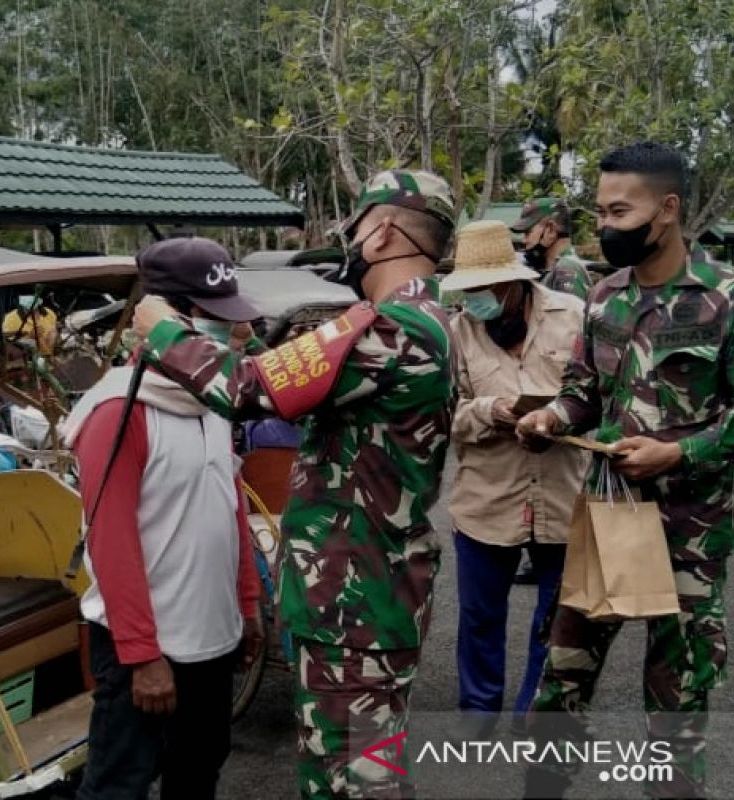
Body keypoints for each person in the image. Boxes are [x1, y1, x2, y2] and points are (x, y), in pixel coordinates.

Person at [133, 170, 459, 798]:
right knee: (362, 770)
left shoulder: (394, 328)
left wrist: (165, 332)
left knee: (355, 781)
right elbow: (296, 378)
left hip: (355, 607)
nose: (349, 238)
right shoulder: (411, 318)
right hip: (362, 598)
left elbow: (251, 391)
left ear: (383, 231)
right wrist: (247, 343)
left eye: (356, 226)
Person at [516, 142, 734, 798]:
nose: (605, 226)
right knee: (560, 684)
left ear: (666, 210)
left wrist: (682, 452)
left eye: (619, 210)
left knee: (674, 711)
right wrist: (552, 418)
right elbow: (583, 388)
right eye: (601, 211)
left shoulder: (723, 299)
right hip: (611, 524)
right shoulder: (605, 296)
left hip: (690, 541)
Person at [63, 236, 263, 800]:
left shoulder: (216, 402)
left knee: (198, 774)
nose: (232, 333)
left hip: (213, 640)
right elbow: (112, 542)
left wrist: (247, 607)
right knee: (117, 785)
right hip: (146, 653)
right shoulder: (117, 410)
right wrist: (143, 656)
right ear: (169, 316)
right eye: (215, 319)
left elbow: (231, 508)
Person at [441, 220, 590, 740]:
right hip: (486, 500)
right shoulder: (457, 332)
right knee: (479, 617)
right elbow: (444, 417)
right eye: (468, 292)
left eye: (483, 290)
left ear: (512, 283)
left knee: (554, 619)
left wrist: (557, 419)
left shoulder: (574, 318)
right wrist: (491, 410)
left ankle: (536, 710)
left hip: (563, 498)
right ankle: (478, 715)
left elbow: (601, 398)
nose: (475, 301)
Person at [510, 197, 594, 301]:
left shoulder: (566, 269)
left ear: (550, 230)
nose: (524, 240)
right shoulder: (551, 270)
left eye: (528, 233)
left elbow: (566, 316)